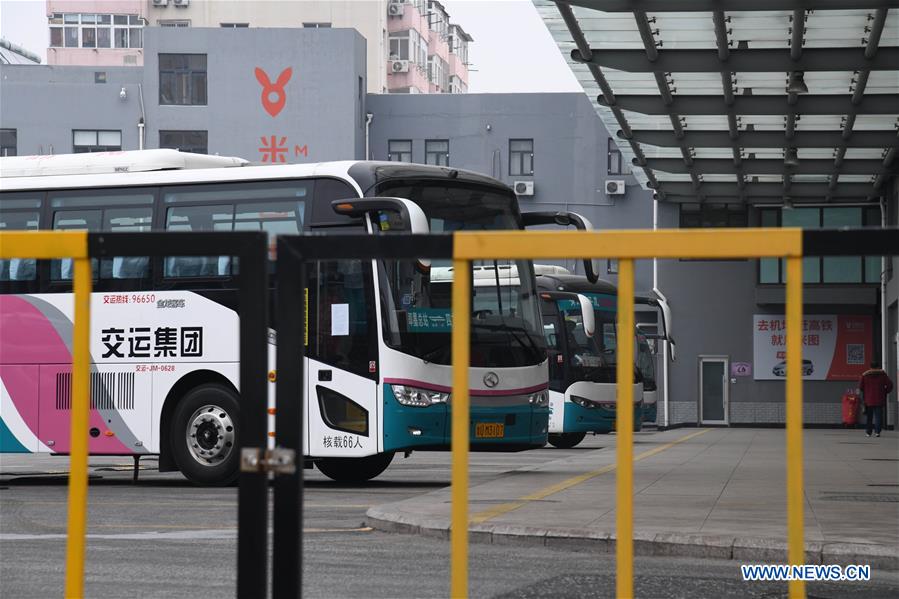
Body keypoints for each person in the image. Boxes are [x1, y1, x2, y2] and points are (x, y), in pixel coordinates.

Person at [858, 361, 893, 438]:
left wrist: (866, 392)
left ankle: (868, 432)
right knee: (878, 417)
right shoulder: (883, 375)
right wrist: (885, 392)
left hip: (868, 399)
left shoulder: (865, 375)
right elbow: (890, 385)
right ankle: (877, 432)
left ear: (870, 367)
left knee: (869, 417)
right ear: (878, 367)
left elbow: (860, 387)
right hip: (879, 399)